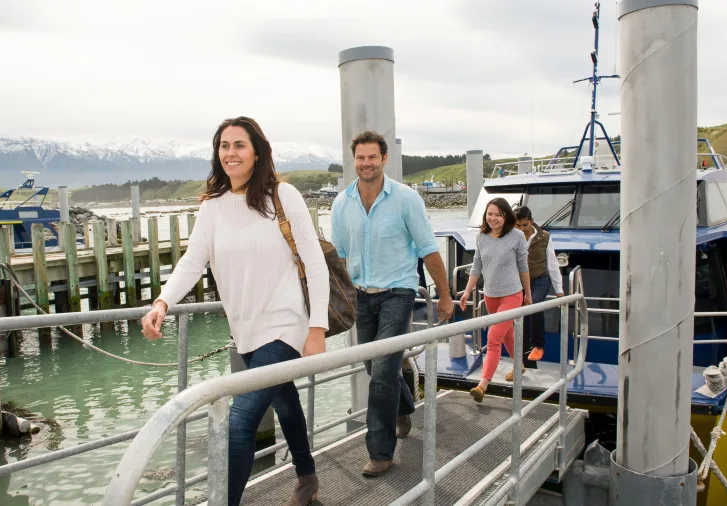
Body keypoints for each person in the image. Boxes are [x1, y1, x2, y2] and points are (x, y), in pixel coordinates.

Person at [141, 116, 329, 506]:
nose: (231, 153)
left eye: (239, 145)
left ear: (257, 152)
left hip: (285, 326)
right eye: (224, 146)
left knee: (239, 424)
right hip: (245, 330)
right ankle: (308, 478)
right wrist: (162, 302)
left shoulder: (283, 195)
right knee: (286, 403)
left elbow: (315, 263)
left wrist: (317, 328)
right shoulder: (212, 207)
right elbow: (193, 261)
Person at [331, 131, 453, 478]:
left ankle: (381, 452)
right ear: (353, 161)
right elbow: (339, 257)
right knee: (375, 366)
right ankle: (403, 402)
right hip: (360, 296)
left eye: (372, 157)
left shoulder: (406, 199)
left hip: (398, 292)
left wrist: (444, 295)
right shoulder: (342, 203)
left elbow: (428, 249)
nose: (366, 163)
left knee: (382, 371)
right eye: (360, 158)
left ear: (384, 159)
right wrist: (336, 300)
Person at [458, 198, 531, 403]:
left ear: (506, 216)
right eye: (490, 214)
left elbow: (523, 267)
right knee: (506, 333)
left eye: (498, 214)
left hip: (512, 295)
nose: (493, 218)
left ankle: (482, 385)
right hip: (490, 295)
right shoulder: (482, 236)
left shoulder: (517, 236)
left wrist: (528, 293)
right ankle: (520, 364)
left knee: (493, 337)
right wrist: (466, 292)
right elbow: (477, 265)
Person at [514, 206, 563, 367]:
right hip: (519, 281)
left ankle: (538, 345)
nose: (521, 229)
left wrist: (559, 291)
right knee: (521, 317)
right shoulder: (511, 236)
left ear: (532, 222)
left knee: (533, 304)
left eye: (525, 225)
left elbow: (553, 264)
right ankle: (524, 361)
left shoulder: (544, 237)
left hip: (539, 279)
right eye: (518, 225)